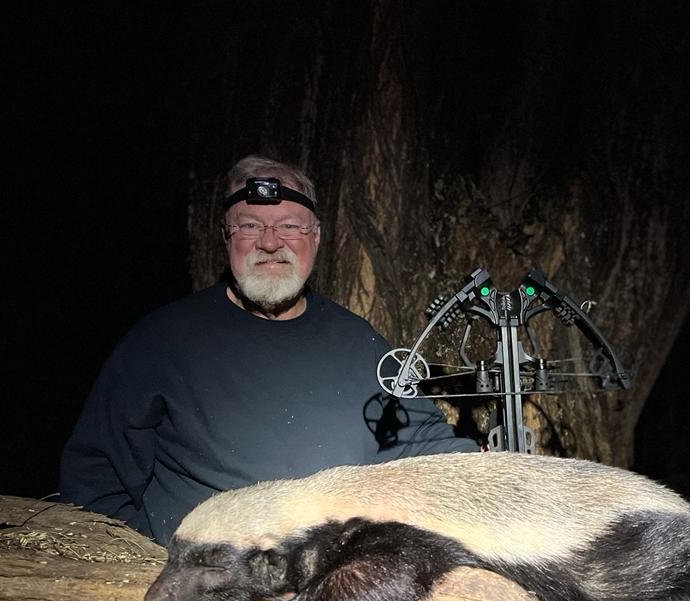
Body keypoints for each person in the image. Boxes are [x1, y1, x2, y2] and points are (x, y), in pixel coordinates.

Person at [60, 155, 478, 545]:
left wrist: (488, 473)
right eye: (250, 226)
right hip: (206, 583)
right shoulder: (161, 341)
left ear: (315, 238)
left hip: (340, 577)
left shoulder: (357, 341)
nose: (270, 242)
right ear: (227, 238)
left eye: (290, 226)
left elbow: (421, 442)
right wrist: (145, 566)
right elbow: (94, 480)